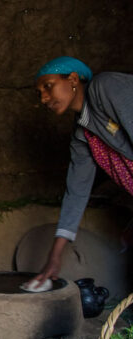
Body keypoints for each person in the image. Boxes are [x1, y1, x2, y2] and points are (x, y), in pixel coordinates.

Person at [33, 57, 133, 284]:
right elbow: (76, 193)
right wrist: (55, 256)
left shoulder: (105, 87)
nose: (44, 98)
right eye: (39, 93)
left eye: (48, 86)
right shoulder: (83, 135)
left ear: (73, 79)